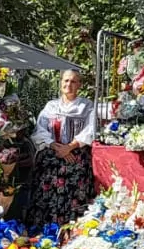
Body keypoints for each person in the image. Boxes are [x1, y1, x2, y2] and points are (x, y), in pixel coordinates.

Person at [25, 68, 99, 227]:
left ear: (79, 84)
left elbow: (90, 129)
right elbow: (40, 130)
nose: (69, 84)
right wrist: (56, 147)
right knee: (45, 189)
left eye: (73, 81)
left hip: (76, 155)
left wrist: (70, 147)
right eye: (66, 80)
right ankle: (43, 230)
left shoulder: (86, 106)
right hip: (53, 154)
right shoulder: (51, 106)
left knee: (74, 192)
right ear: (61, 83)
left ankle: (71, 229)